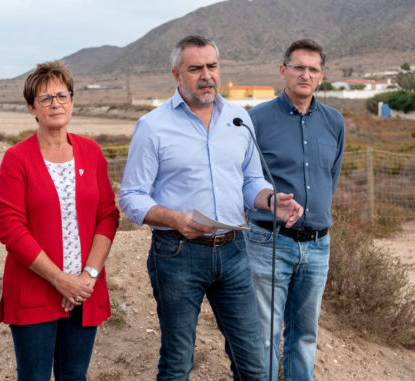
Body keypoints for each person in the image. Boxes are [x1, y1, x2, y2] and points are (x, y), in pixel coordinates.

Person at [119, 35, 303, 381]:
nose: (206, 75)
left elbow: (250, 181)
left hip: (234, 252)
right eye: (195, 68)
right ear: (176, 75)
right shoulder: (153, 126)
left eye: (212, 66)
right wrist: (176, 219)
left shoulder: (238, 119)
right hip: (177, 254)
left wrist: (270, 200)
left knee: (254, 364)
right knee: (177, 364)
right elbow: (131, 197)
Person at [0, 61, 120, 381]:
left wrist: (87, 276)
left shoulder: (91, 152)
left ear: (73, 101)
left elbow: (108, 215)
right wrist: (59, 279)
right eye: (46, 98)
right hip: (34, 289)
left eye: (62, 96)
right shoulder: (16, 158)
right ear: (31, 108)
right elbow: (11, 228)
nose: (56, 104)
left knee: (74, 376)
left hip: (84, 291)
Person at [245, 39, 345, 381]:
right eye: (298, 67)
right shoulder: (255, 120)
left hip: (318, 245)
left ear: (321, 76)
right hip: (268, 242)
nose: (306, 74)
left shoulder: (334, 121)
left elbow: (331, 176)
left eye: (313, 69)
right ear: (282, 71)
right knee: (265, 335)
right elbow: (245, 180)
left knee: (305, 335)